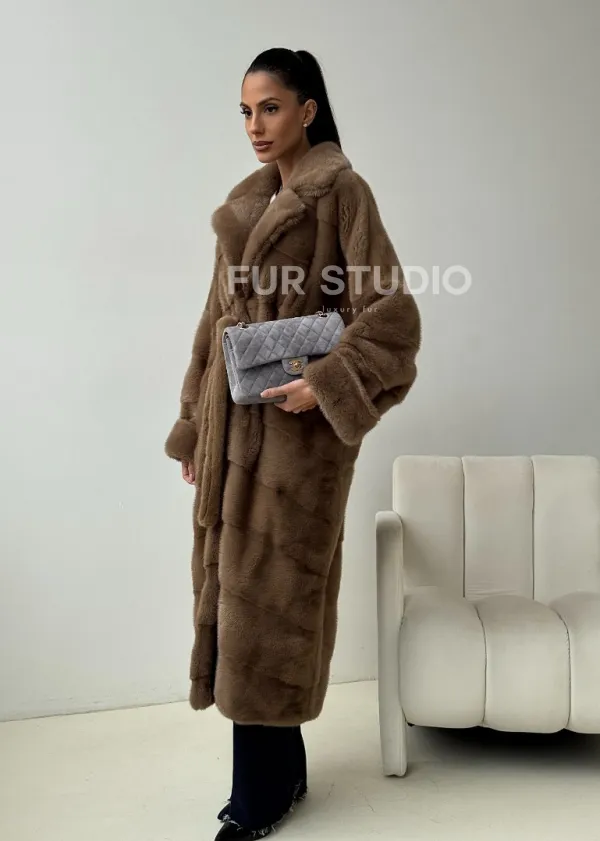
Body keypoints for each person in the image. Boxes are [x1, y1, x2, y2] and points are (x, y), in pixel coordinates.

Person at [164, 47, 421, 840]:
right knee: (238, 597)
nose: (255, 125)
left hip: (298, 447)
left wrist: (326, 382)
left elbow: (392, 316)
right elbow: (213, 327)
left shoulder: (342, 192)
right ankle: (283, 772)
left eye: (270, 107)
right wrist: (193, 425)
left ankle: (257, 797)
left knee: (274, 606)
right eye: (246, 111)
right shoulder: (244, 206)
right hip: (233, 435)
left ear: (308, 110)